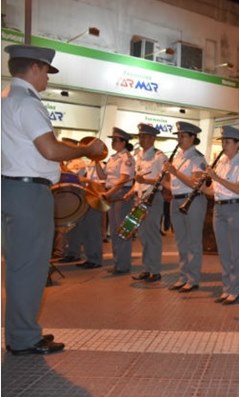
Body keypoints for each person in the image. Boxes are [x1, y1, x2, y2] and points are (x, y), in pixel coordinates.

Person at [2, 44, 104, 355]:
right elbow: (50, 150)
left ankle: (23, 331)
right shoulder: (28, 104)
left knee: (19, 265)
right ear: (35, 68)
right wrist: (87, 150)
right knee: (29, 267)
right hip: (29, 193)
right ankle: (22, 338)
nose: (48, 78)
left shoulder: (5, 101)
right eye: (47, 71)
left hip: (11, 189)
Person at [206, 126, 239, 305]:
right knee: (223, 252)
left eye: (227, 142)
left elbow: (238, 188)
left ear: (237, 144)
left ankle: (237, 289)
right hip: (219, 208)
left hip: (236, 209)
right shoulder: (221, 162)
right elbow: (215, 190)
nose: (224, 145)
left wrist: (215, 178)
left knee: (236, 253)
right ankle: (227, 288)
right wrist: (201, 188)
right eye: (223, 141)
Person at [164, 121, 208, 293]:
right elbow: (174, 185)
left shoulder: (197, 158)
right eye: (179, 136)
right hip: (176, 200)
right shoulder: (178, 157)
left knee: (193, 242)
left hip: (193, 200)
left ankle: (193, 279)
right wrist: (163, 182)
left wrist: (175, 172)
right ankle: (183, 276)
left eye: (183, 136)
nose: (180, 139)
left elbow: (196, 183)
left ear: (192, 138)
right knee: (181, 241)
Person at [126, 123, 168, 282]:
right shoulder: (139, 155)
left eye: (144, 136)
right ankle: (146, 268)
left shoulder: (159, 156)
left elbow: (163, 179)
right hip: (140, 198)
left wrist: (146, 180)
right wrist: (133, 191)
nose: (141, 139)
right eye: (140, 136)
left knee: (152, 235)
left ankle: (155, 270)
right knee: (143, 235)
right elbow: (138, 178)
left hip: (153, 197)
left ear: (152, 138)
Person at [96, 127, 136, 274]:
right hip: (112, 194)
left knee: (122, 231)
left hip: (121, 194)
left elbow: (124, 179)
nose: (112, 143)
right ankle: (118, 263)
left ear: (123, 142)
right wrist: (96, 161)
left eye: (115, 140)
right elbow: (102, 177)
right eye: (112, 140)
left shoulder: (127, 158)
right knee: (113, 231)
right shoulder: (113, 158)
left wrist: (109, 193)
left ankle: (123, 265)